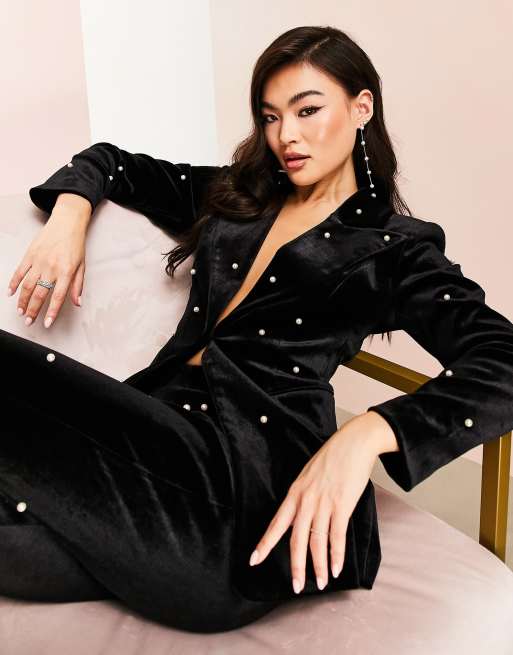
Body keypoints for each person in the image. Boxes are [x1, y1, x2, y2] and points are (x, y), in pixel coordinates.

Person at [3, 25, 513, 634]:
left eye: (307, 110)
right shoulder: (238, 198)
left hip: (245, 491)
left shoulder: (393, 248)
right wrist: (69, 217)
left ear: (362, 107)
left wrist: (364, 436)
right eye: (271, 117)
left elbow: (502, 359)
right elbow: (113, 163)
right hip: (160, 458)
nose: (286, 135)